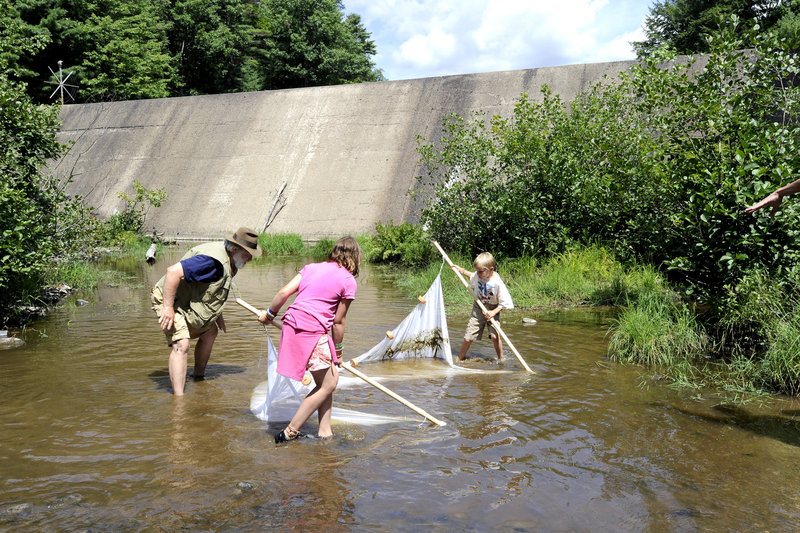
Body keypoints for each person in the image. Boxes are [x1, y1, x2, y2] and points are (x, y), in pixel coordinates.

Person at [258, 236, 361, 443]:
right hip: (311, 330)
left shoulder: (311, 267)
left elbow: (284, 292)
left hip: (291, 325)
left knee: (328, 381)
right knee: (329, 384)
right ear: (355, 258)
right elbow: (338, 322)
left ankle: (325, 432)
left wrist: (270, 314)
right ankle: (290, 432)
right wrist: (339, 352)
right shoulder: (348, 280)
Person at [152, 227, 262, 396]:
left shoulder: (231, 262)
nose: (250, 259)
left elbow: (212, 289)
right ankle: (179, 402)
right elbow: (172, 272)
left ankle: (198, 378)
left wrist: (218, 315)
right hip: (170, 299)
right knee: (182, 344)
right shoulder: (212, 262)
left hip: (188, 301)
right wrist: (167, 307)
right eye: (248, 254)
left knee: (211, 332)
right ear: (235, 250)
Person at [450, 252, 514, 361]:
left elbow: (505, 302)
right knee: (468, 337)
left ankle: (501, 359)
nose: (478, 274)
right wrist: (460, 270)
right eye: (477, 271)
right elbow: (472, 275)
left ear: (491, 269)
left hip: (493, 308)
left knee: (494, 336)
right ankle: (460, 359)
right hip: (478, 306)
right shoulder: (479, 275)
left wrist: (493, 312)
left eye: (480, 271)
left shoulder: (497, 283)